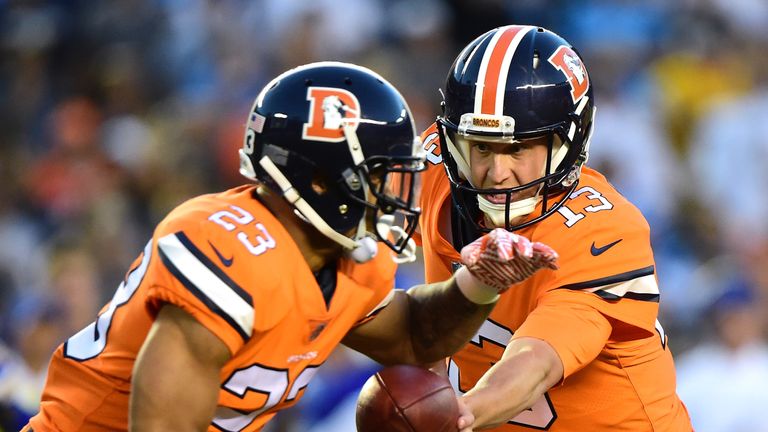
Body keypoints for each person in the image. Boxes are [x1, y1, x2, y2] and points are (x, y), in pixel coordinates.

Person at [24, 62, 556, 432]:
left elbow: (415, 340)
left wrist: (477, 283)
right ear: (320, 182)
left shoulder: (346, 260)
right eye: (378, 178)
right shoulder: (227, 242)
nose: (393, 197)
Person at [417, 26, 693, 431]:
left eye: (518, 148)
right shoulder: (436, 168)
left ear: (568, 140)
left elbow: (535, 363)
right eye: (481, 146)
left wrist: (453, 416)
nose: (497, 172)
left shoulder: (602, 228)